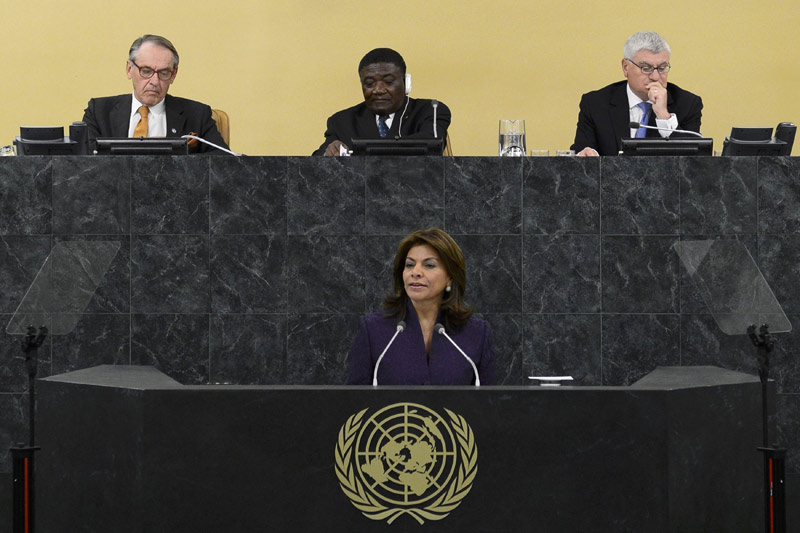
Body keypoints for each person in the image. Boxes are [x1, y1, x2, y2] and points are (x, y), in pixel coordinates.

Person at [346, 228, 495, 385]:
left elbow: (488, 405)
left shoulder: (477, 333)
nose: (415, 272)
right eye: (409, 265)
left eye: (429, 265)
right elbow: (354, 403)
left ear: (450, 278)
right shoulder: (373, 330)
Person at [82, 34, 229, 154]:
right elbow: (84, 164)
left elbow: (223, 162)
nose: (154, 81)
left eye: (164, 73)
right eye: (146, 71)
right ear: (129, 69)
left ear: (173, 75)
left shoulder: (197, 114)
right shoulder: (99, 111)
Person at [570, 31, 703, 156]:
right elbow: (582, 152)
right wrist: (586, 153)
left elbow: (692, 161)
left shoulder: (688, 104)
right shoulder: (595, 104)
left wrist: (664, 116)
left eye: (662, 68)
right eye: (646, 68)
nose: (655, 76)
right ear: (625, 67)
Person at [313, 48, 451, 156]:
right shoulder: (342, 121)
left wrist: (362, 151)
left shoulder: (430, 110)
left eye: (388, 82)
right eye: (369, 83)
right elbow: (313, 165)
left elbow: (432, 144)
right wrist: (329, 153)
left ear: (405, 83)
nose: (378, 90)